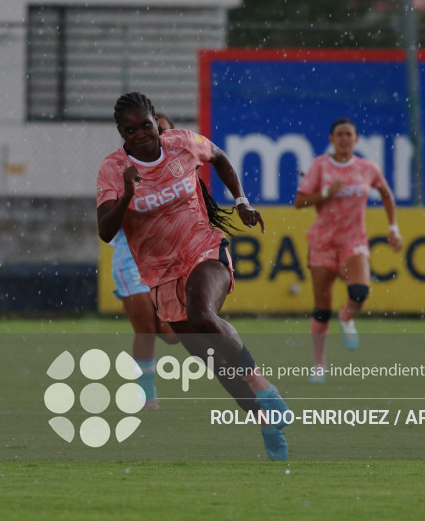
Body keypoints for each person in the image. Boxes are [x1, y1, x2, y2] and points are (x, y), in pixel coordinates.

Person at [96, 91, 290, 461]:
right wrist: (126, 195)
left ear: (157, 121)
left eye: (146, 125)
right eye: (130, 129)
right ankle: (265, 422)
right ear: (121, 132)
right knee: (213, 361)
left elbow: (218, 156)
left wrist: (242, 201)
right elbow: (105, 231)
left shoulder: (183, 143)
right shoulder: (113, 169)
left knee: (203, 314)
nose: (140, 134)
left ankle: (264, 387)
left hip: (202, 247)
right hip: (160, 272)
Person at [294, 118, 402, 383]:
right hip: (322, 243)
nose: (344, 138)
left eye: (349, 134)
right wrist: (326, 193)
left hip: (354, 242)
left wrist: (393, 228)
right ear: (331, 139)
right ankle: (319, 364)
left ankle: (346, 316)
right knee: (321, 307)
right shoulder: (320, 165)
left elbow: (386, 193)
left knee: (359, 293)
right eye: (339, 134)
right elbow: (299, 201)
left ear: (356, 139)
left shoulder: (367, 168)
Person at [108, 113, 178, 409]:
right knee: (146, 330)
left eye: (162, 130)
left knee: (172, 334)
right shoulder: (122, 170)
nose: (155, 135)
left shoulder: (180, 169)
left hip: (166, 261)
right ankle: (147, 397)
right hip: (131, 259)